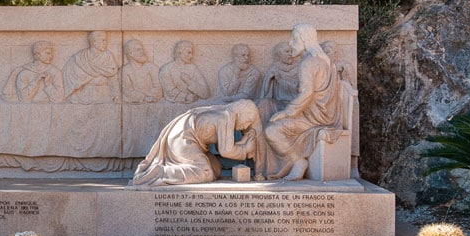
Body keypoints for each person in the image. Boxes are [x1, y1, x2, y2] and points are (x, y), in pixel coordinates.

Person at [265, 24, 343, 180]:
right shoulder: (324, 59)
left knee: (271, 130)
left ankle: (298, 162)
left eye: (294, 39)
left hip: (314, 117)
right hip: (327, 114)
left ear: (304, 40)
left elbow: (306, 94)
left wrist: (286, 113)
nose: (291, 43)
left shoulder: (308, 62)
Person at [132, 99, 266, 186]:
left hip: (189, 137)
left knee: (215, 169)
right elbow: (226, 150)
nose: (245, 126)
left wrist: (243, 144)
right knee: (205, 171)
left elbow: (221, 146)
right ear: (240, 113)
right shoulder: (226, 117)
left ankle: (166, 171)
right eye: (248, 121)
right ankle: (160, 172)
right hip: (184, 138)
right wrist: (245, 149)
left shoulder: (225, 114)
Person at [63, 30, 119, 103]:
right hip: (83, 93)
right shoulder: (80, 56)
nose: (106, 43)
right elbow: (68, 72)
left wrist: (116, 94)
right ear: (94, 42)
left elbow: (113, 74)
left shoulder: (108, 55)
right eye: (103, 40)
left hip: (104, 93)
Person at [257, 41, 301, 122]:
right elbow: (265, 93)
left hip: (297, 104)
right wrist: (268, 79)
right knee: (263, 103)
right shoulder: (275, 68)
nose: (290, 54)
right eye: (287, 52)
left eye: (291, 51)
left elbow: (299, 89)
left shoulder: (299, 67)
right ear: (279, 55)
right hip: (280, 104)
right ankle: (262, 131)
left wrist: (280, 79)